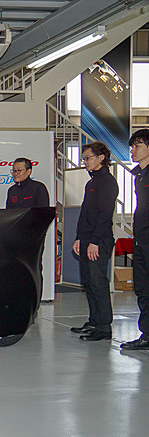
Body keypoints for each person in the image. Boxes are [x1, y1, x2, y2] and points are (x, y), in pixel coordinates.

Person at [71, 141, 119, 342]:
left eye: (88, 158)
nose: (85, 162)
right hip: (86, 239)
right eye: (84, 159)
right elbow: (85, 214)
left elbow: (104, 215)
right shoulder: (91, 182)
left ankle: (104, 327)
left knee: (98, 282)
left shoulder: (107, 182)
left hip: (98, 240)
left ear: (101, 158)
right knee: (88, 282)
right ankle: (94, 321)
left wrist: (95, 241)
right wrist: (79, 238)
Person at [121, 129, 149, 350]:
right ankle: (147, 335)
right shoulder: (138, 175)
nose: (133, 150)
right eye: (132, 146)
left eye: (138, 145)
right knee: (142, 288)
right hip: (140, 239)